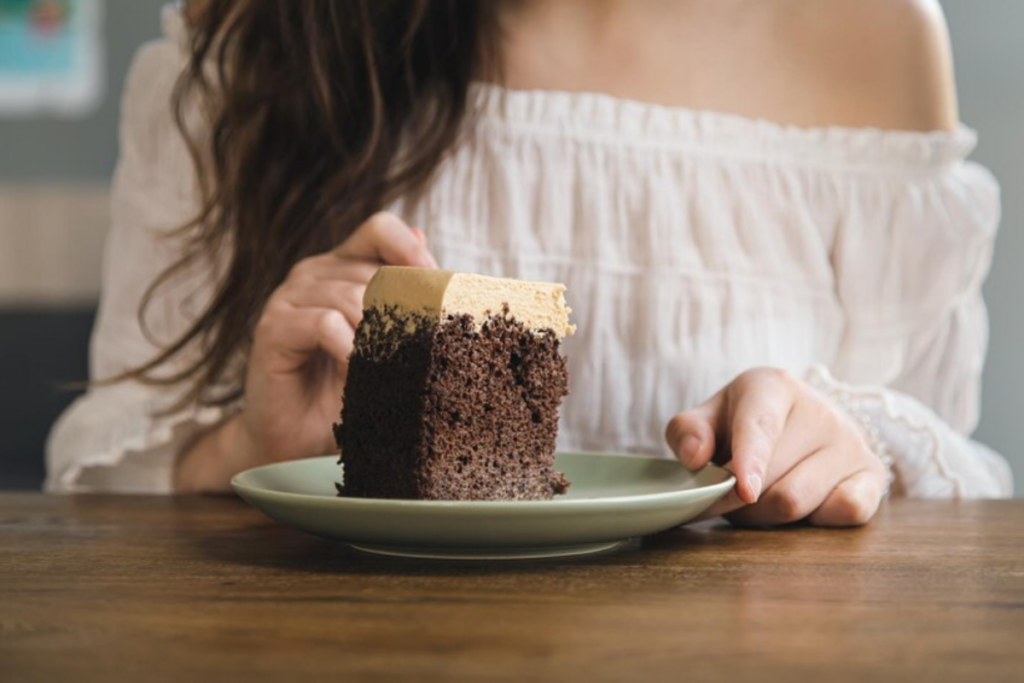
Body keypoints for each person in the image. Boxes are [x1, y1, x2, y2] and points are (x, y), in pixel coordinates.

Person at [47, 0, 1013, 524]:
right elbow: (90, 487)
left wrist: (846, 440)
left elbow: (955, 493)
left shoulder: (873, 33)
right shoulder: (251, 36)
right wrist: (258, 452)